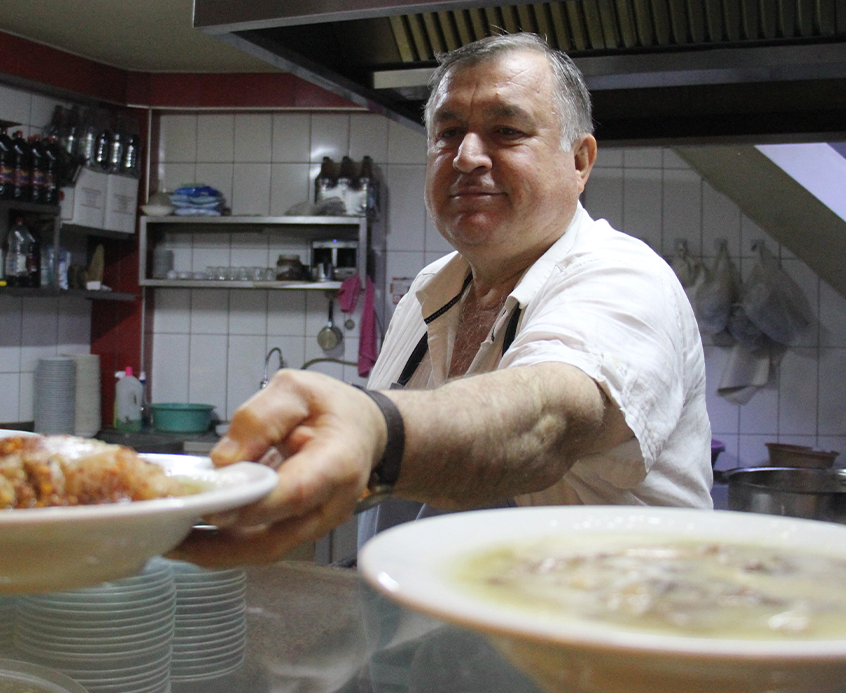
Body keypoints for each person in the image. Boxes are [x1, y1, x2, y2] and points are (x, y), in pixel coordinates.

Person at [172, 32, 712, 568]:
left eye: (506, 130)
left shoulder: (625, 276)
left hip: (595, 647)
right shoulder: (429, 291)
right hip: (421, 640)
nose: (467, 156)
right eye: (448, 132)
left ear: (580, 161)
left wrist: (375, 430)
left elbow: (546, 422)